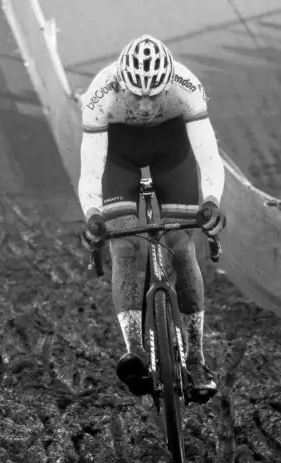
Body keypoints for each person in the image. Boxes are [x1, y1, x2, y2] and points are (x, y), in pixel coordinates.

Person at [77, 34, 226, 404]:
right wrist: (93, 215)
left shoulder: (187, 87)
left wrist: (211, 202)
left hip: (172, 156)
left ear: (169, 85)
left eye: (155, 96)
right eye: (136, 96)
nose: (144, 106)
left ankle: (196, 359)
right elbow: (92, 171)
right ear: (121, 85)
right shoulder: (100, 94)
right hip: (120, 161)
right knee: (126, 248)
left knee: (180, 247)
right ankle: (137, 354)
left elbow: (208, 159)